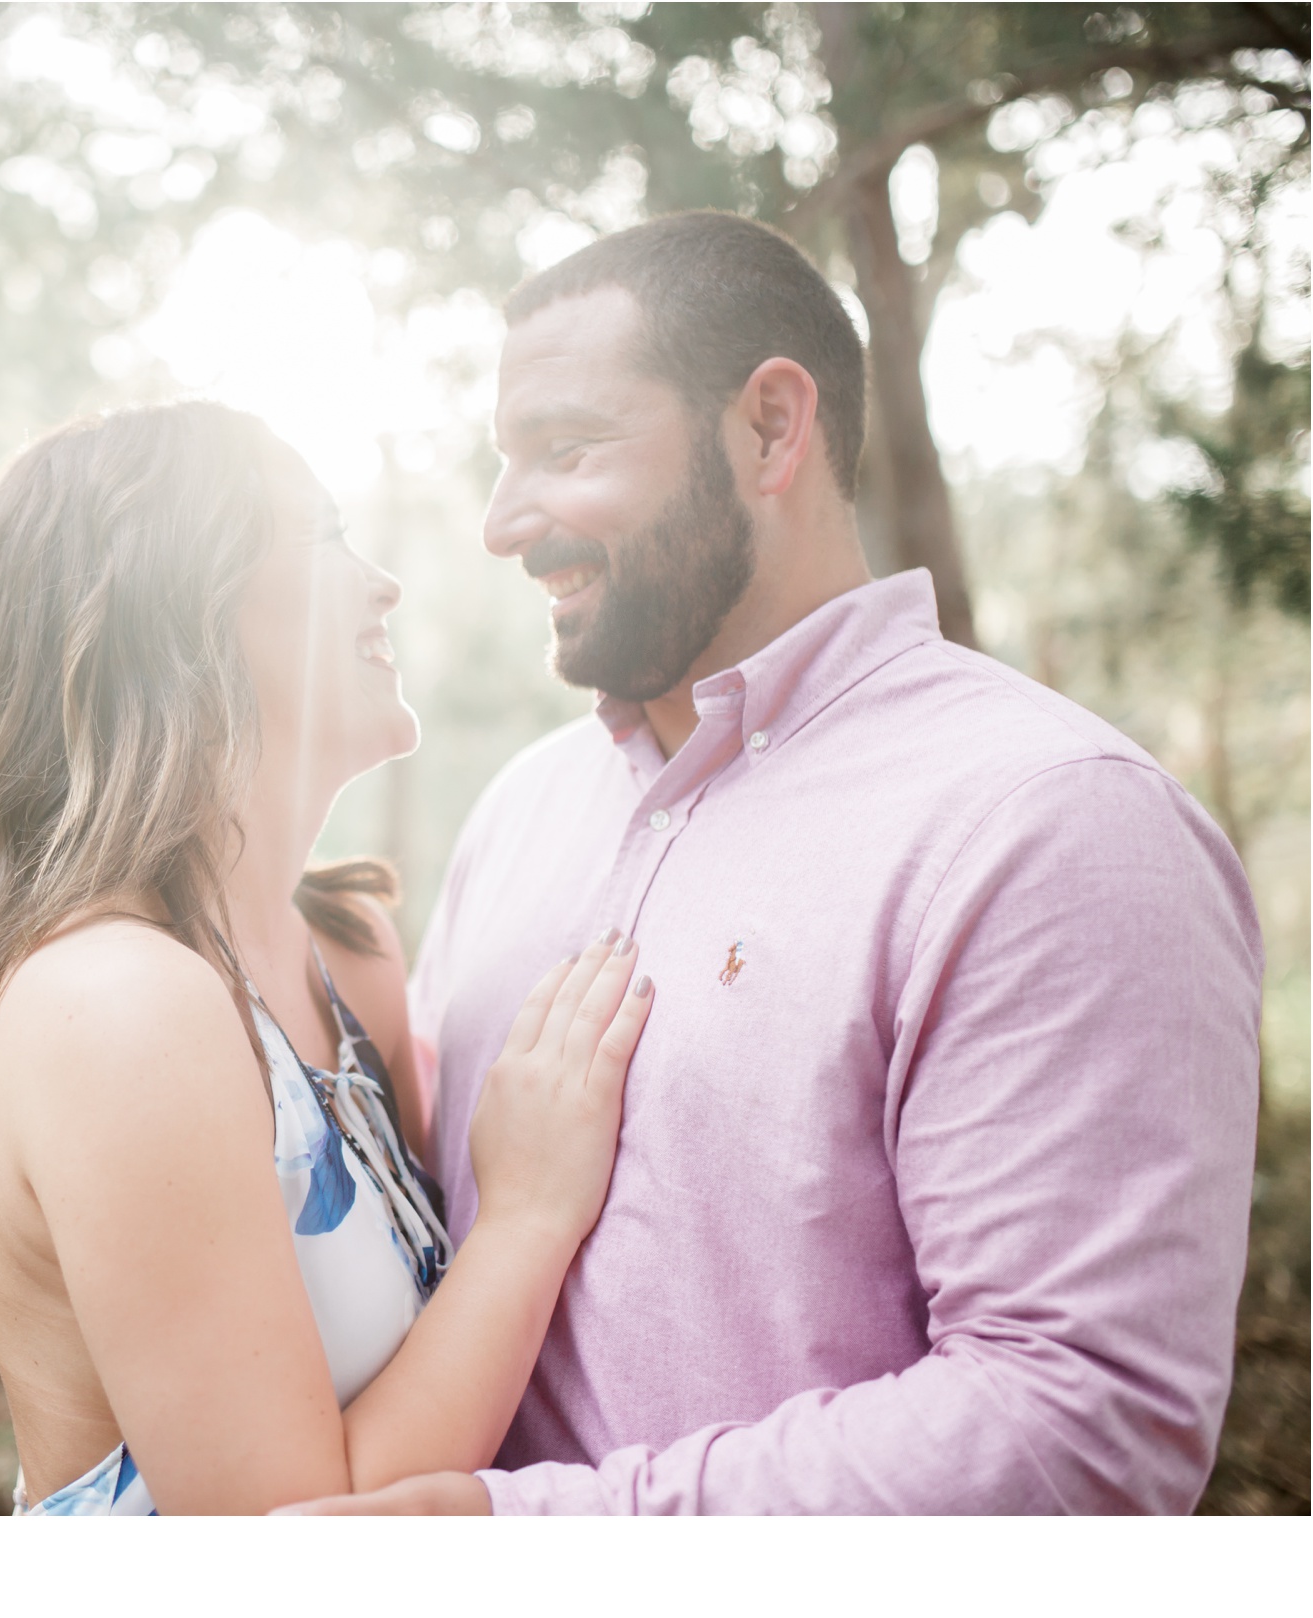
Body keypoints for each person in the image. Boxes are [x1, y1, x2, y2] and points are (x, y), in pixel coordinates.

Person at [288, 210, 1264, 1515]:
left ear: (769, 427)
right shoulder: (521, 810)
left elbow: (1083, 1430)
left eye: (565, 449)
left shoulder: (1052, 820)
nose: (504, 521)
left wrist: (506, 1537)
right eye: (502, 463)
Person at [0, 401, 658, 1514]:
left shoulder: (346, 957)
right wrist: (528, 1216)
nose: (382, 583)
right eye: (323, 538)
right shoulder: (117, 1006)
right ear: (180, 616)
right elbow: (290, 1537)